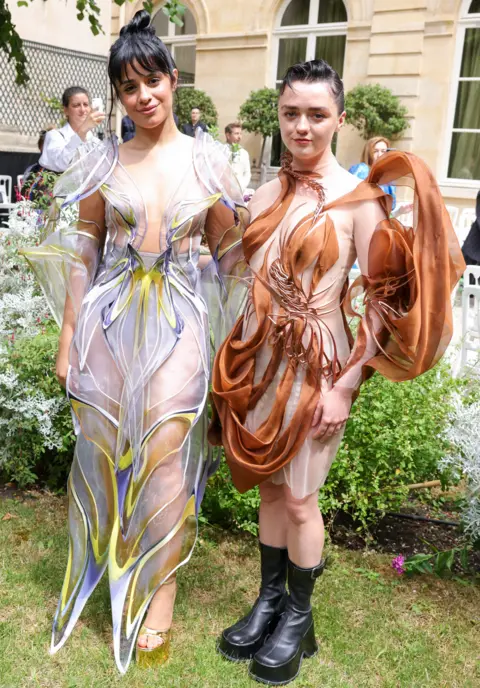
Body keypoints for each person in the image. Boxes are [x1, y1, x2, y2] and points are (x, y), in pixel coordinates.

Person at [210, 59, 465, 686]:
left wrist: (346, 387)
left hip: (319, 366)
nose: (302, 125)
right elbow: (239, 271)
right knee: (271, 489)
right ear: (279, 114)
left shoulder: (360, 202)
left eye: (317, 114)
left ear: (339, 120)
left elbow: (382, 301)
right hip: (262, 358)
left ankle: (297, 616)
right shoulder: (266, 193)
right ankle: (269, 600)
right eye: (291, 112)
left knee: (300, 498)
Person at [22, 10, 247, 675]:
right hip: (109, 322)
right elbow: (84, 252)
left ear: (174, 81)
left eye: (152, 81)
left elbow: (234, 257)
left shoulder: (208, 163)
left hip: (177, 320)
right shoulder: (105, 160)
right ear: (117, 95)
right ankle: (109, 564)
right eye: (128, 87)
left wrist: (238, 340)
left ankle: (162, 592)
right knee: (100, 455)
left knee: (162, 451)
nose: (143, 96)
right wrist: (67, 338)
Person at [39, 86, 105, 173]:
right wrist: (82, 131)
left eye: (85, 104)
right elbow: (62, 164)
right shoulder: (54, 136)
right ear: (65, 110)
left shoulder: (95, 142)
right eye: (76, 105)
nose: (82, 110)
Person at [349, 136, 397, 209]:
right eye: (375, 151)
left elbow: (390, 208)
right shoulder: (362, 169)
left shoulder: (388, 178)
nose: (380, 155)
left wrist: (401, 210)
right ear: (368, 153)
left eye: (383, 151)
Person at [225, 122, 252, 193]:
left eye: (240, 133)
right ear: (228, 135)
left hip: (240, 191)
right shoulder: (221, 151)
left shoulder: (244, 153)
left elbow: (247, 173)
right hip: (224, 191)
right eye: (236, 134)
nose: (239, 136)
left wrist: (241, 186)